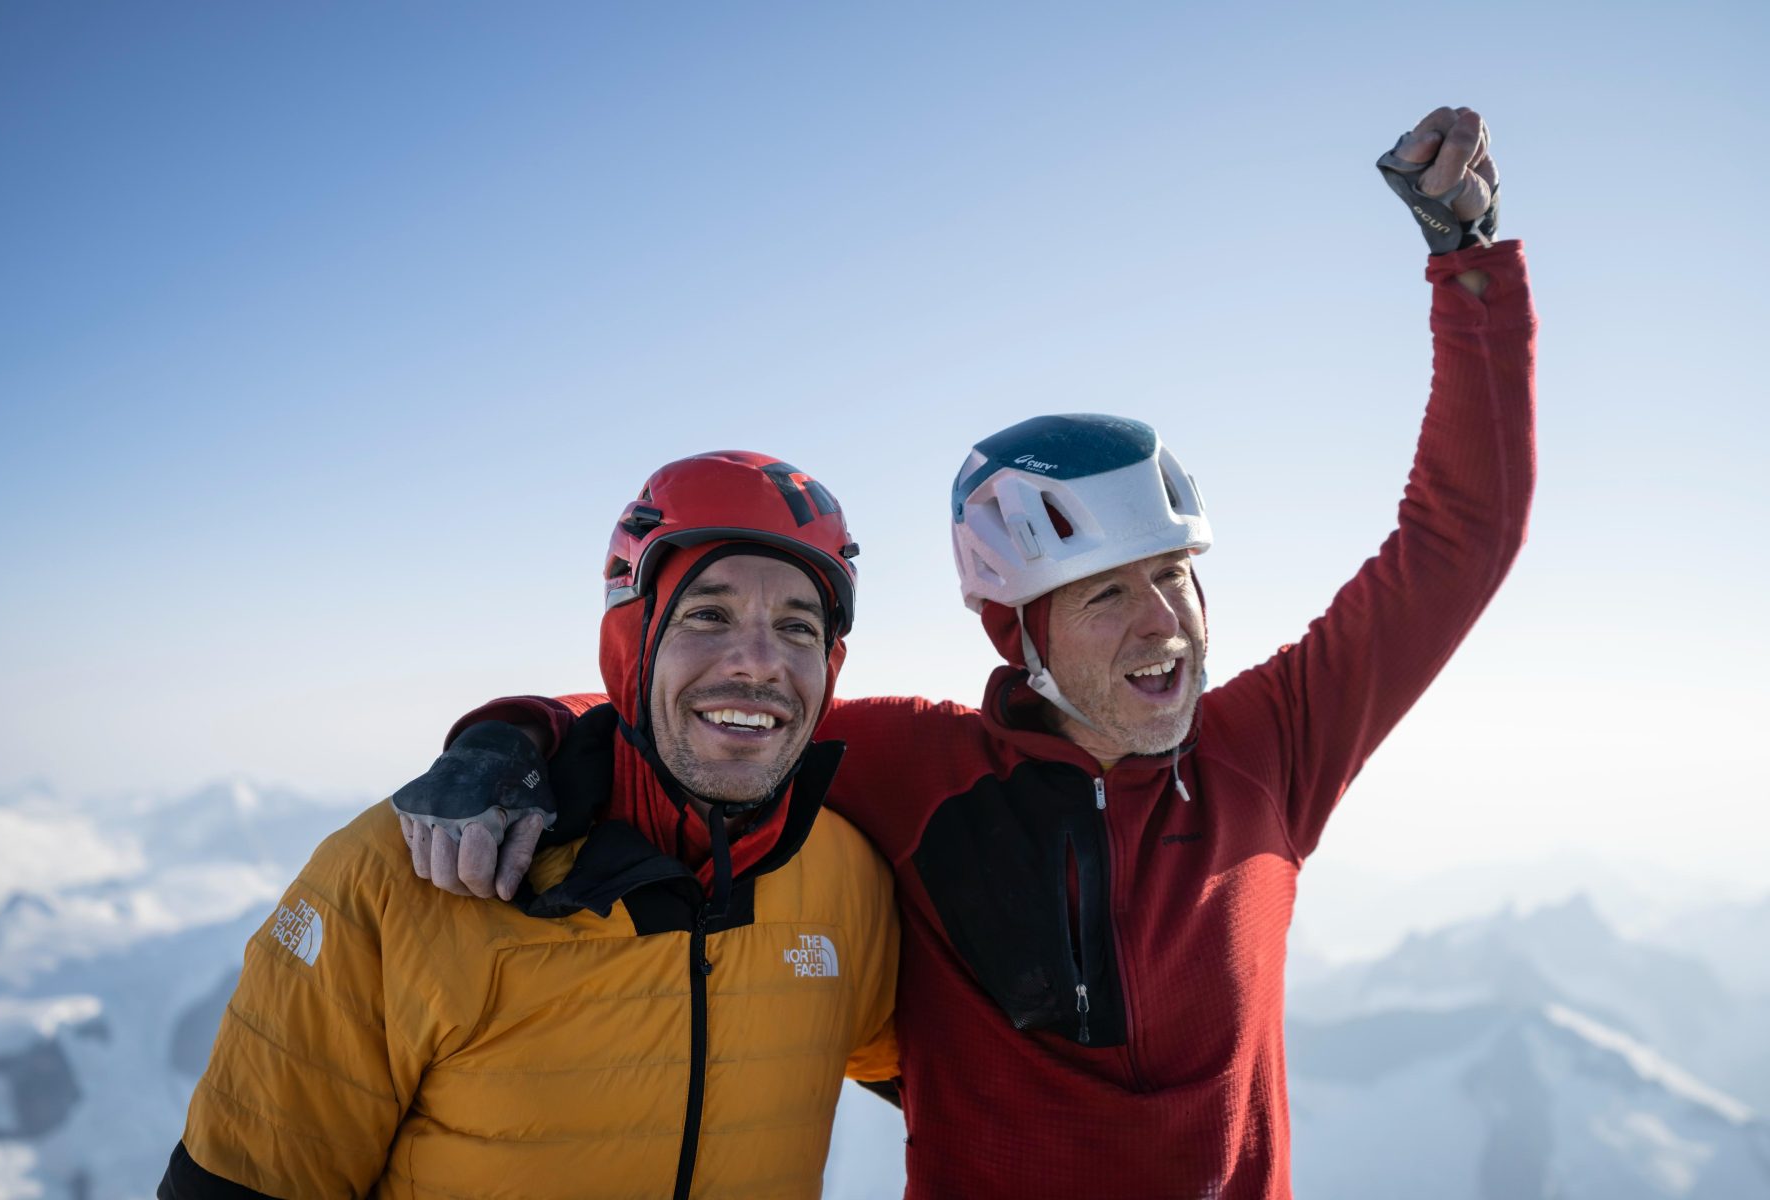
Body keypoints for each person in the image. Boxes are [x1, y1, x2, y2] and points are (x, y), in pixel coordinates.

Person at [398, 104, 1536, 1199]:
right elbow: (694, 711)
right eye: (1103, 595)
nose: (1164, 623)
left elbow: (1460, 541)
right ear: (1018, 632)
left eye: (1175, 577)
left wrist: (1467, 260)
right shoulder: (914, 768)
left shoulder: (1270, 752)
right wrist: (513, 737)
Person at [159, 452, 900, 1200]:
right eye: (708, 614)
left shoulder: (848, 882)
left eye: (799, 626)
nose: (760, 663)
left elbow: (951, 1073)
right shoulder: (397, 875)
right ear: (633, 642)